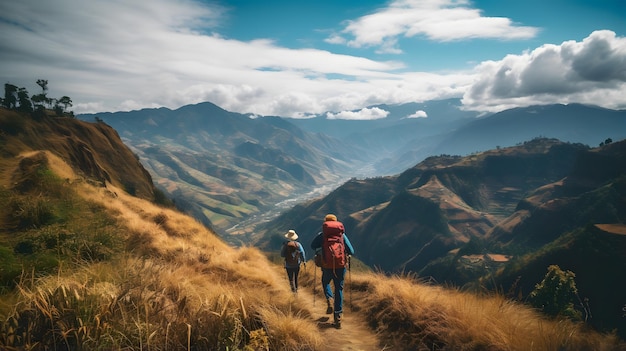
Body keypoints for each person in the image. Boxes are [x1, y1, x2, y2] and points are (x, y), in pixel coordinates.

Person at [310, 214, 355, 329]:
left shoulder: (322, 235)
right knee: (339, 288)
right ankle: (338, 316)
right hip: (340, 266)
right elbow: (351, 251)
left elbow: (312, 246)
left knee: (325, 282)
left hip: (327, 265)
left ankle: (329, 298)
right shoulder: (342, 236)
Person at [280, 229, 306, 293]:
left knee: (291, 278)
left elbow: (282, 255)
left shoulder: (285, 245)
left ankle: (293, 291)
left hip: (288, 265)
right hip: (297, 264)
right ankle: (296, 289)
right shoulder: (298, 244)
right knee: (296, 278)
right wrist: (304, 261)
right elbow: (302, 253)